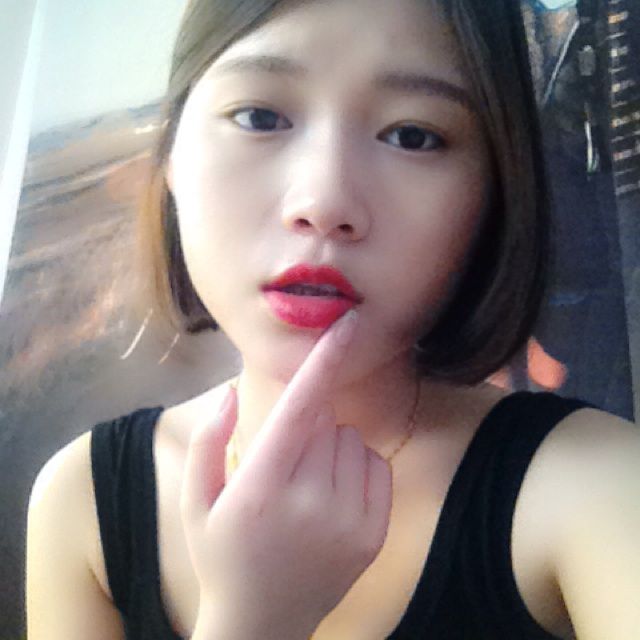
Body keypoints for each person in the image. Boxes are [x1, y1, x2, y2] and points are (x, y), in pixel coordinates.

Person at [25, 1, 639, 638]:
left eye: (412, 135)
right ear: (171, 156)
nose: (323, 202)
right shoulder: (82, 500)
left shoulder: (599, 487)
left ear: (491, 191)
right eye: (260, 117)